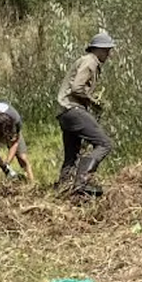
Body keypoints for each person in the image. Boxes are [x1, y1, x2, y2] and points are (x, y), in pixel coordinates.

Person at [55, 28, 118, 197]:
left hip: (64, 112)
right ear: (97, 50)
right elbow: (77, 88)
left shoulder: (86, 60)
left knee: (71, 155)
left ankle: (62, 190)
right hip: (73, 110)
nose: (108, 54)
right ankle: (81, 183)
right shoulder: (90, 61)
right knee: (105, 144)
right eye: (106, 50)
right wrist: (93, 101)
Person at [0, 100, 33, 188]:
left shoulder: (16, 120)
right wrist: (4, 168)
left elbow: (15, 143)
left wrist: (7, 163)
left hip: (11, 126)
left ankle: (32, 185)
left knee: (23, 158)